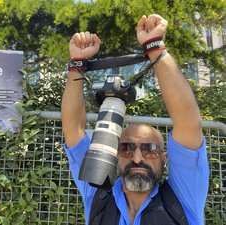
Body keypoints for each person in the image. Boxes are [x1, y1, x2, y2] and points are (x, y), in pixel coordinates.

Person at [61, 14, 209, 225]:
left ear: (164, 157)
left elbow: (189, 123)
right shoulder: (97, 195)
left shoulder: (184, 197)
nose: (137, 158)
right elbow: (73, 130)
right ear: (114, 155)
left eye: (149, 149)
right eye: (126, 148)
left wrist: (155, 46)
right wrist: (76, 63)